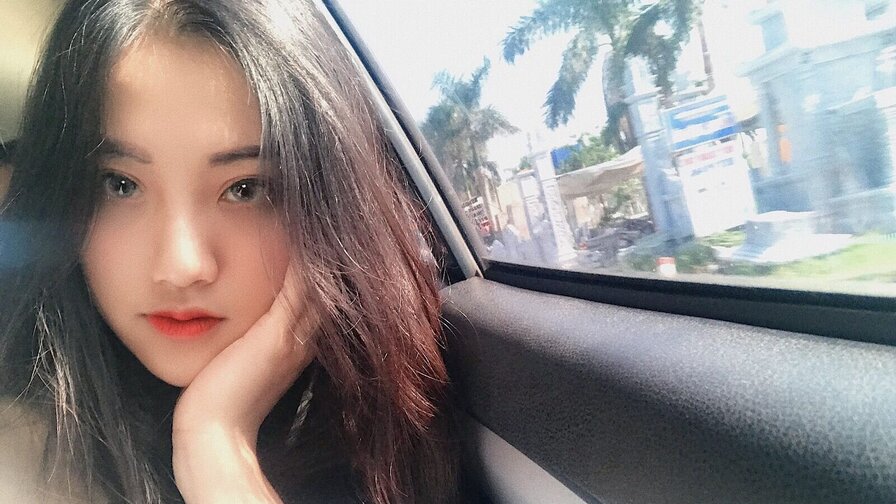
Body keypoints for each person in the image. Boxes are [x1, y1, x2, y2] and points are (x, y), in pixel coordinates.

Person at [0, 1, 466, 502]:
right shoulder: (23, 459)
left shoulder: (386, 420)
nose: (182, 267)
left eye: (245, 189)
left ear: (328, 208)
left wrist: (213, 435)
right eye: (120, 184)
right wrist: (216, 444)